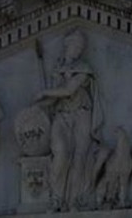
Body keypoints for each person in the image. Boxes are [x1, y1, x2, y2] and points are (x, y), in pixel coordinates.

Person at [33, 30, 102, 209]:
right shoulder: (58, 69)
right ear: (67, 45)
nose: (78, 50)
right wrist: (38, 107)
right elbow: (54, 99)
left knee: (80, 157)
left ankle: (74, 201)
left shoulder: (84, 68)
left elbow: (69, 90)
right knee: (61, 153)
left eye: (81, 47)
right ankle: (56, 198)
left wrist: (43, 92)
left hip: (81, 115)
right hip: (61, 116)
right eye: (76, 45)